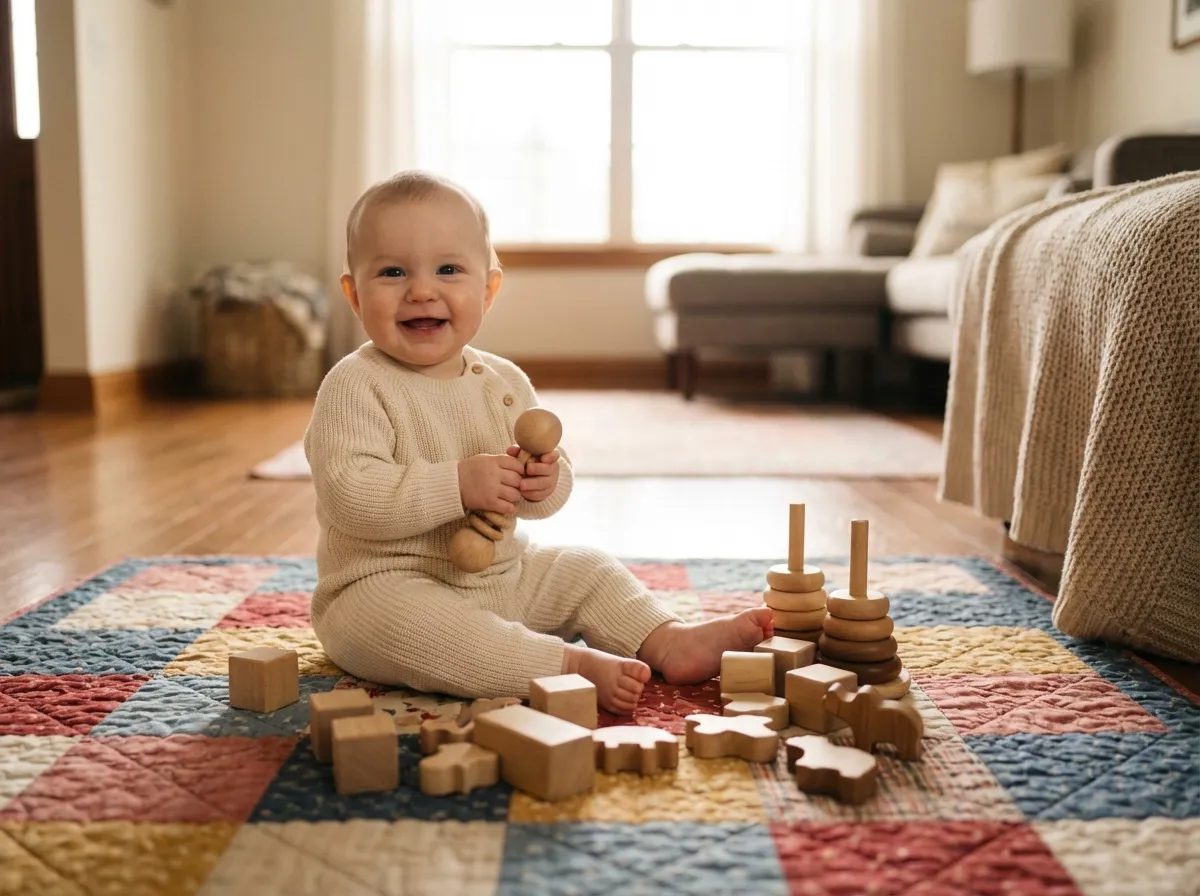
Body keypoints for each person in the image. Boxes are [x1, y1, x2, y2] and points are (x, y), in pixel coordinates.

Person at [304, 171, 773, 713]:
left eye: (448, 269)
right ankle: (562, 666)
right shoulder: (354, 385)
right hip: (383, 587)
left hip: (504, 577)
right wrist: (456, 485)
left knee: (585, 566)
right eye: (392, 272)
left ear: (488, 290)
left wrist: (545, 480)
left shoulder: (503, 382)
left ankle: (666, 639)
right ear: (354, 295)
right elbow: (350, 496)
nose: (422, 291)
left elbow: (543, 498)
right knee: (414, 627)